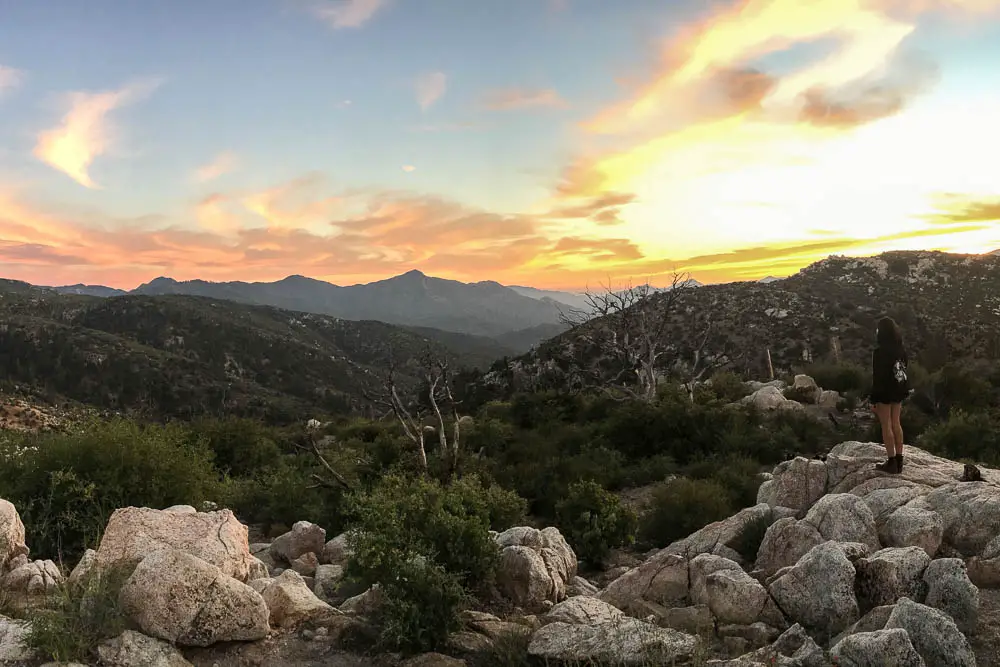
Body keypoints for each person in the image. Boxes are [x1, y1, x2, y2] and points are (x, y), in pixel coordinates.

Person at [870, 317, 910, 474]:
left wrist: (873, 398)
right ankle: (899, 460)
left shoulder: (879, 352)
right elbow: (903, 369)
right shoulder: (901, 350)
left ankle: (891, 461)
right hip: (898, 389)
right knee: (896, 423)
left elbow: (877, 376)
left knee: (886, 424)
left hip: (885, 391)